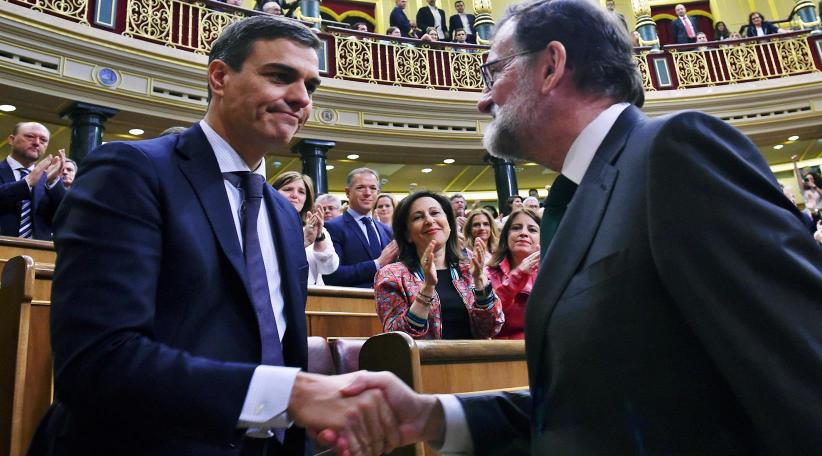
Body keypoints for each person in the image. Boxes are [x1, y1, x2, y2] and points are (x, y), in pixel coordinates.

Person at [317, 0, 822, 454]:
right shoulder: (577, 195)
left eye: (494, 71)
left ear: (551, 66)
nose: (482, 99)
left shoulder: (673, 152)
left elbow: (800, 372)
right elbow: (590, 403)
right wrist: (433, 416)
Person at [30, 15, 401, 456]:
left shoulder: (284, 215)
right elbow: (97, 360)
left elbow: (278, 346)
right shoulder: (131, 171)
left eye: (310, 86)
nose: (302, 98)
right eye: (280, 76)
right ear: (220, 77)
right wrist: (287, 395)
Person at [374, 191, 503, 340]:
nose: (429, 220)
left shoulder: (469, 269)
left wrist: (480, 281)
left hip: (472, 355)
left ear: (449, 224)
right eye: (418, 217)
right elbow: (397, 339)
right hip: (422, 356)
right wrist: (427, 289)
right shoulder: (391, 275)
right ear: (407, 234)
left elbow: (491, 329)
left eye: (435, 213)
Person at [324, 168, 398, 288]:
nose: (367, 193)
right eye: (361, 187)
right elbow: (332, 275)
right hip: (352, 298)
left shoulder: (386, 230)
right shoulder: (332, 228)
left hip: (388, 298)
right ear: (348, 192)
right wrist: (376, 264)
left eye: (373, 188)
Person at [1, 122, 66, 240]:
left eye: (43, 140)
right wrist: (28, 182)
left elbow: (66, 214)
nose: (36, 142)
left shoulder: (48, 178)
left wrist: (53, 182)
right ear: (11, 140)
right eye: (30, 136)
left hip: (38, 249)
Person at [272, 171, 339, 285]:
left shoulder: (315, 228)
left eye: (301, 192)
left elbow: (329, 268)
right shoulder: (263, 226)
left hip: (312, 293)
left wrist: (319, 237)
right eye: (288, 189)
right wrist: (302, 243)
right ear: (273, 193)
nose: (295, 195)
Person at [486, 209, 540, 340]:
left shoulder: (552, 274)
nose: (523, 233)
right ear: (506, 236)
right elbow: (487, 321)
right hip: (499, 349)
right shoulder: (487, 273)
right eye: (516, 228)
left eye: (532, 230)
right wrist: (518, 276)